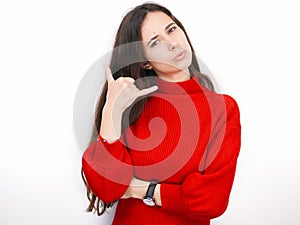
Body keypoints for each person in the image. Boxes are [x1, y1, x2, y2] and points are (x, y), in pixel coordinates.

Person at [81, 2, 241, 225]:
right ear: (145, 60)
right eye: (155, 42)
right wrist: (111, 110)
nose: (173, 43)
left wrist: (140, 188)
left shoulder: (222, 109)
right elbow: (108, 189)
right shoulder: (132, 105)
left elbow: (213, 200)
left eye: (172, 29)